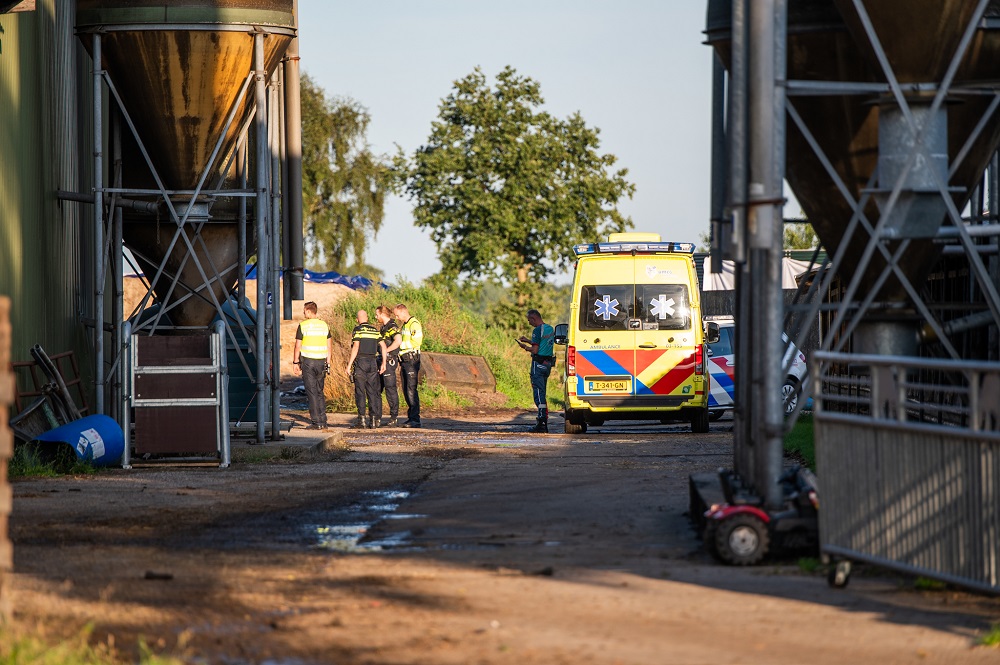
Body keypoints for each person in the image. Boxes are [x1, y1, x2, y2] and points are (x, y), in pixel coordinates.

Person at [292, 301, 333, 430]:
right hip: (322, 362)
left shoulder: (303, 325)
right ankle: (323, 421)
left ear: (309, 311)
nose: (304, 313)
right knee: (320, 391)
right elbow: (329, 345)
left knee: (312, 392)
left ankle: (316, 423)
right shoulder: (324, 325)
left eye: (304, 311)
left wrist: (295, 362)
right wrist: (328, 362)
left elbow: (298, 346)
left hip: (308, 362)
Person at [345, 310, 387, 429]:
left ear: (357, 320)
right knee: (372, 392)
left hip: (361, 363)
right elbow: (383, 347)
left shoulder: (358, 330)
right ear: (367, 318)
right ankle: (373, 421)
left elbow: (356, 347)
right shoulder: (375, 330)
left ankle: (362, 420)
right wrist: (384, 363)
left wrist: (349, 365)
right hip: (373, 363)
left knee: (360, 392)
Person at [517, 308, 555, 433]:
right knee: (543, 392)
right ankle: (543, 420)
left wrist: (525, 347)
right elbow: (542, 342)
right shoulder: (549, 328)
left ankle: (542, 422)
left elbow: (535, 350)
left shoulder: (537, 330)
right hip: (547, 365)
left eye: (529, 320)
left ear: (534, 318)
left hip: (537, 364)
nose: (529, 323)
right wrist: (529, 340)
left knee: (538, 393)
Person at [393, 303, 423, 428]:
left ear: (403, 312)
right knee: (406, 389)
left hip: (411, 360)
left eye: (397, 315)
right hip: (405, 360)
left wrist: (399, 346)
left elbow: (416, 341)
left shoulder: (414, 324)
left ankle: (415, 419)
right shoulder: (405, 325)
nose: (397, 318)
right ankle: (411, 417)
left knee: (411, 389)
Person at [375, 305, 402, 427]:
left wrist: (386, 351)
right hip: (381, 360)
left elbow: (398, 341)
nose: (376, 317)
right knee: (377, 389)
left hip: (390, 361)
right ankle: (377, 417)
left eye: (377, 315)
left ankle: (393, 417)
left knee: (390, 389)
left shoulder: (392, 326)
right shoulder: (383, 328)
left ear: (382, 314)